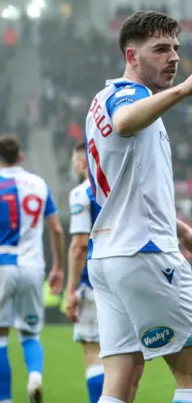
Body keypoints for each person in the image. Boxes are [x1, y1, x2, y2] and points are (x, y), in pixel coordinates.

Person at [84, 10, 192, 403]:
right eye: (161, 49)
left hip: (108, 257)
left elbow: (127, 190)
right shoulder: (131, 97)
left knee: (121, 382)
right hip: (144, 254)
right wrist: (184, 90)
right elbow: (126, 121)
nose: (174, 58)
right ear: (131, 57)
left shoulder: (99, 100)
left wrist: (182, 232)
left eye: (176, 48)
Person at [0, 135, 64, 403]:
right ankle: (35, 376)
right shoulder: (38, 184)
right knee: (30, 332)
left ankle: (4, 398)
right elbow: (56, 228)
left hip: (2, 265)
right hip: (33, 267)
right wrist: (58, 266)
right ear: (21, 156)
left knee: (1, 337)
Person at [65, 142, 104, 403]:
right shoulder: (118, 189)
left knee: (93, 352)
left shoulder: (82, 193)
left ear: (82, 162)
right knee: (122, 356)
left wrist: (70, 291)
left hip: (94, 282)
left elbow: (79, 245)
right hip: (124, 277)